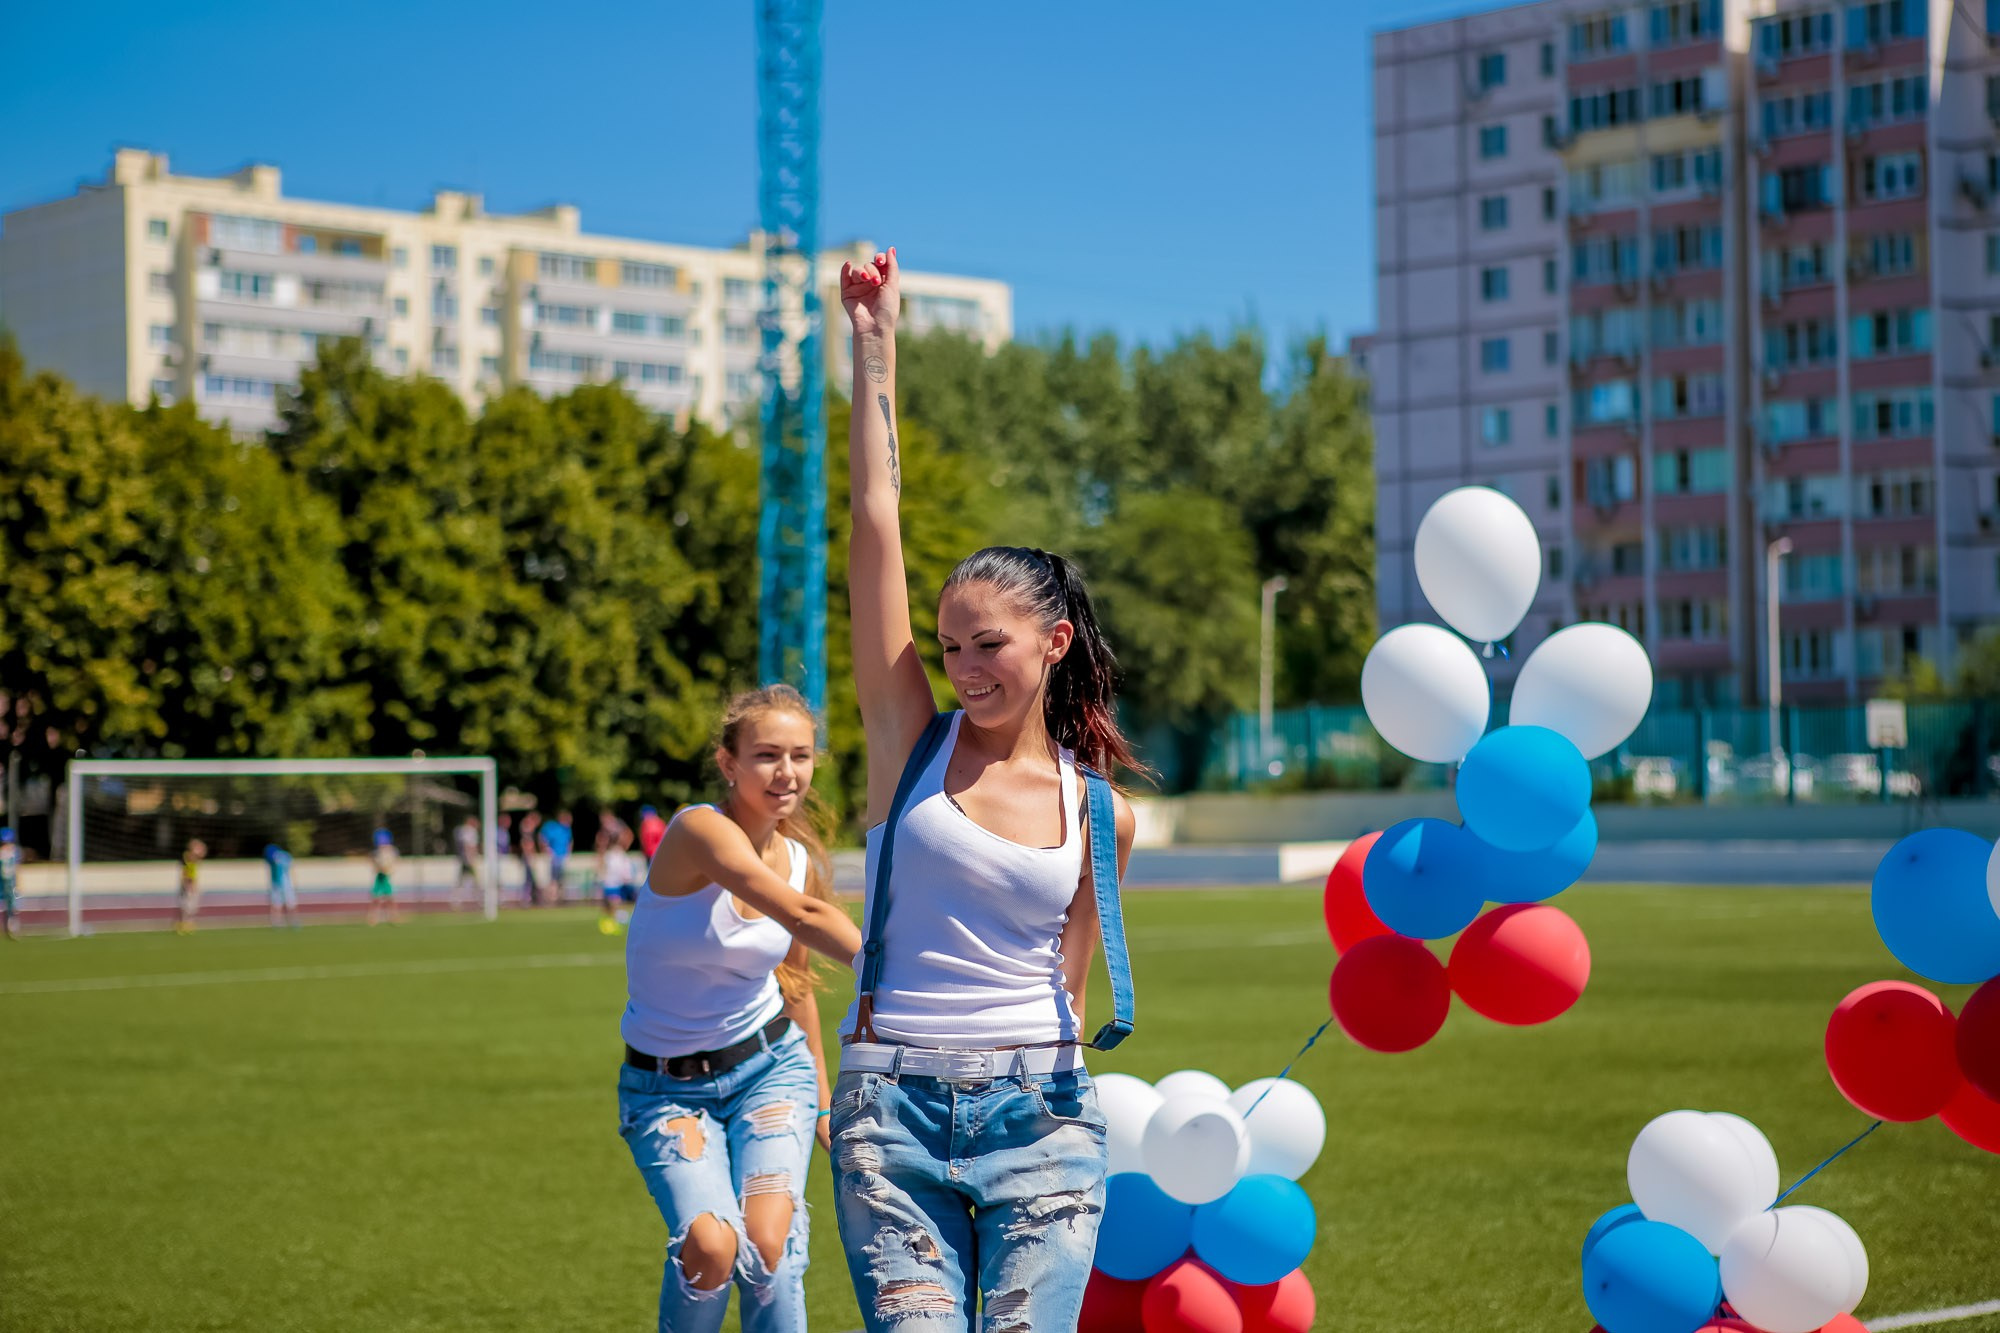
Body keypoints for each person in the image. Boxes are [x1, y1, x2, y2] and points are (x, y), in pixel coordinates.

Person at [829, 247, 1140, 1333]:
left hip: (1043, 1118)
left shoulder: (1102, 814)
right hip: (890, 1112)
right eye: (950, 642)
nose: (963, 664)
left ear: (1052, 642)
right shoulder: (907, 739)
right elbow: (876, 520)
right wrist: (875, 344)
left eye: (988, 643)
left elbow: (1067, 973)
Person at [617, 683, 862, 1333]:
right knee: (712, 1246)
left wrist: (822, 1098)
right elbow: (803, 916)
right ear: (729, 763)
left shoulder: (800, 858)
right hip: (665, 1088)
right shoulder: (698, 830)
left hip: (770, 1069)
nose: (787, 772)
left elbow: (797, 984)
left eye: (802, 755)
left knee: (770, 1247)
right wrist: (891, 966)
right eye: (767, 755)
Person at [598, 828, 637, 937]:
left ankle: (611, 925)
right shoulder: (615, 855)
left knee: (613, 906)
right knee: (612, 906)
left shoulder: (614, 854)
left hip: (614, 883)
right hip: (612, 883)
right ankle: (610, 925)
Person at [263, 842, 300, 929]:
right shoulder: (286, 856)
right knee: (289, 903)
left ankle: (278, 923)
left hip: (278, 883)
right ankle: (293, 922)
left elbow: (277, 869)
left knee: (278, 904)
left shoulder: (273, 856)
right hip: (285, 883)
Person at [175, 838, 207, 935]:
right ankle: (183, 924)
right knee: (186, 905)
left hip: (191, 883)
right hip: (187, 884)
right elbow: (186, 872)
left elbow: (202, 853)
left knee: (191, 906)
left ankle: (187, 923)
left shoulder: (194, 859)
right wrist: (188, 884)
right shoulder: (187, 857)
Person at [367, 828, 399, 926]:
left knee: (389, 897)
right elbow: (373, 862)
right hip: (379, 876)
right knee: (376, 897)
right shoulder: (376, 852)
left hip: (386, 877)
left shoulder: (391, 851)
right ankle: (373, 917)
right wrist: (378, 867)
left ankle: (393, 916)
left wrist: (388, 869)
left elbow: (393, 862)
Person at [544, 810, 576, 902]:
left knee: (561, 878)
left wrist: (568, 852)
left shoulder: (567, 829)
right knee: (554, 878)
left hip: (563, 857)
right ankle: (552, 896)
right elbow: (543, 837)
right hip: (555, 857)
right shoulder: (553, 827)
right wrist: (547, 849)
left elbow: (570, 841)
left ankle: (559, 896)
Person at [452, 815, 481, 911]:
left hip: (466, 859)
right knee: (473, 879)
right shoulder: (469, 831)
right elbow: (468, 846)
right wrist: (470, 858)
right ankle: (478, 898)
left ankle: (457, 899)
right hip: (468, 859)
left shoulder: (463, 831)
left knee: (464, 879)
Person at [518, 810, 548, 907]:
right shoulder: (527, 831)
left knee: (532, 878)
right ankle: (528, 899)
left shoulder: (531, 832)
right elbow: (526, 844)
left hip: (530, 857)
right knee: (529, 879)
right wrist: (530, 857)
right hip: (528, 857)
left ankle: (533, 898)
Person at [1, 828, 20, 940]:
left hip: (10, 883)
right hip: (2, 883)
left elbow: (17, 870)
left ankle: (12, 925)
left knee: (12, 905)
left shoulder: (14, 854)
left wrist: (19, 883)